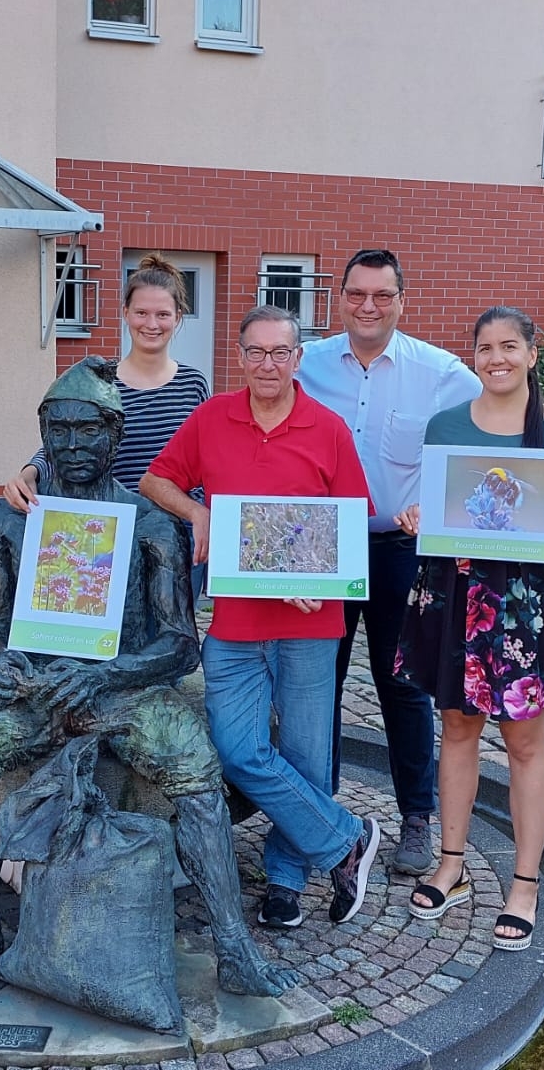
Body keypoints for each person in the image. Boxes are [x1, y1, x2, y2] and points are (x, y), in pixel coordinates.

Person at [0, 358, 298, 1018]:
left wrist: (106, 674)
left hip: (124, 687)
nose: (73, 445)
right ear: (43, 432)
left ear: (115, 434)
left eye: (89, 430)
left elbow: (180, 645)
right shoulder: (4, 520)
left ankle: (234, 944)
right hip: (36, 688)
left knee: (196, 770)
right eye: (60, 430)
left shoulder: (151, 522)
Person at [141, 306, 383, 931]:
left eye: (280, 353)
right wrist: (197, 513)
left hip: (311, 623)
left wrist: (318, 577)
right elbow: (156, 479)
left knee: (305, 757)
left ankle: (285, 880)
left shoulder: (328, 429)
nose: (268, 364)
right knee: (237, 750)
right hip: (235, 621)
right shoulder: (212, 417)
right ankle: (347, 839)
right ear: (240, 356)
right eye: (256, 352)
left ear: (297, 358)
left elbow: (351, 523)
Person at [393, 306, 544, 951]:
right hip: (456, 594)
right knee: (457, 729)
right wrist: (417, 517)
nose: (497, 358)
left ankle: (525, 884)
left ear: (532, 354)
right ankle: (451, 865)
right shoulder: (447, 426)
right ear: (474, 358)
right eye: (485, 348)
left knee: (525, 743)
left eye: (509, 346)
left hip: (524, 605)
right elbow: (440, 506)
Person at [295, 248, 481, 877]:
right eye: (356, 294)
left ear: (403, 300)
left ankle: (416, 818)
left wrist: (443, 503)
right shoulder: (307, 363)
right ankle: (317, 816)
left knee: (402, 686)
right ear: (339, 298)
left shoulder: (442, 373)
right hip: (322, 548)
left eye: (382, 295)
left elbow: (496, 429)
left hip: (401, 550)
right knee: (316, 682)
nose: (368, 306)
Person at [4, 253, 211, 505]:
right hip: (115, 520)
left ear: (177, 317)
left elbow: (209, 457)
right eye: (141, 312)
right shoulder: (100, 384)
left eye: (163, 314)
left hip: (179, 521)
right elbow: (65, 440)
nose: (151, 324)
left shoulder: (193, 385)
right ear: (125, 313)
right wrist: (29, 472)